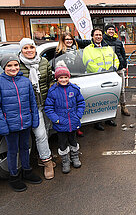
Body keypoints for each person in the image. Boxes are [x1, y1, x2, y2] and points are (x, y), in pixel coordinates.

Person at [0, 54, 42, 192]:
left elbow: (32, 102)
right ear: (4, 67)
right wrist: (3, 125)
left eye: (16, 65)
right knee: (13, 151)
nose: (13, 68)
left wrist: (34, 119)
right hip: (10, 125)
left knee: (25, 147)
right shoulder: (0, 82)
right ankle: (14, 177)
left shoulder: (25, 81)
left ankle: (27, 171)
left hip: (25, 122)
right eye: (9, 65)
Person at [19, 38, 55, 180]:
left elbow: (49, 81)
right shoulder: (17, 65)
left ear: (35, 48)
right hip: (31, 107)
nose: (29, 50)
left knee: (46, 131)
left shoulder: (43, 62)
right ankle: (47, 162)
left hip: (45, 103)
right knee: (40, 135)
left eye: (31, 47)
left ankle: (41, 157)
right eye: (25, 48)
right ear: (21, 50)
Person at [45, 62, 86, 174]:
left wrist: (78, 115)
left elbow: (81, 103)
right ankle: (65, 161)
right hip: (60, 123)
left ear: (69, 77)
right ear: (57, 78)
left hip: (73, 121)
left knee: (73, 140)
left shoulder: (74, 89)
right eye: (61, 77)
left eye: (65, 77)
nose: (63, 80)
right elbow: (48, 108)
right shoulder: (53, 91)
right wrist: (56, 119)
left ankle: (75, 157)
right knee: (62, 143)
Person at [83, 28, 120, 131]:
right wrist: (102, 71)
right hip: (96, 78)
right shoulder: (88, 49)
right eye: (96, 35)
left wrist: (114, 67)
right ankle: (97, 122)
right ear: (92, 37)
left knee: (109, 98)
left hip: (109, 77)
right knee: (97, 99)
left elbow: (115, 59)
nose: (98, 37)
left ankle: (109, 119)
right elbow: (88, 64)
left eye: (100, 35)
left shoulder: (108, 48)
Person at [54, 32, 90, 137]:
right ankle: (69, 127)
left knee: (76, 104)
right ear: (63, 41)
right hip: (65, 82)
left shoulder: (76, 51)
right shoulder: (59, 52)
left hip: (78, 79)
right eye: (67, 39)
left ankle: (77, 126)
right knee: (67, 106)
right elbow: (57, 68)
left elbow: (89, 43)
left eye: (71, 39)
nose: (69, 41)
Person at [103, 25, 130, 116]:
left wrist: (124, 65)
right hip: (108, 70)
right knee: (109, 91)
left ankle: (123, 107)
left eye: (112, 30)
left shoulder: (118, 42)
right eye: (109, 29)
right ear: (106, 31)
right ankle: (109, 110)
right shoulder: (102, 41)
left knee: (121, 90)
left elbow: (123, 53)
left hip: (119, 69)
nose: (111, 31)